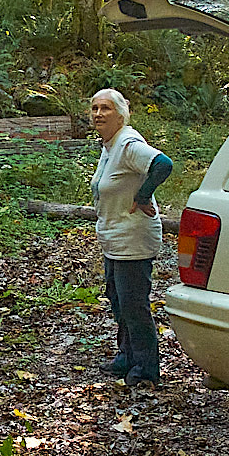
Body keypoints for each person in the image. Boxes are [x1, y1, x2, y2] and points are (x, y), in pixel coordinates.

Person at [89, 89, 173, 387]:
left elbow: (163, 164)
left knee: (134, 304)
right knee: (117, 300)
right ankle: (126, 356)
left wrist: (143, 194)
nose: (99, 114)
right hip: (113, 237)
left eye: (106, 109)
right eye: (95, 108)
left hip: (133, 238)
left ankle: (146, 368)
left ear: (121, 114)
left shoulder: (128, 143)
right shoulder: (109, 145)